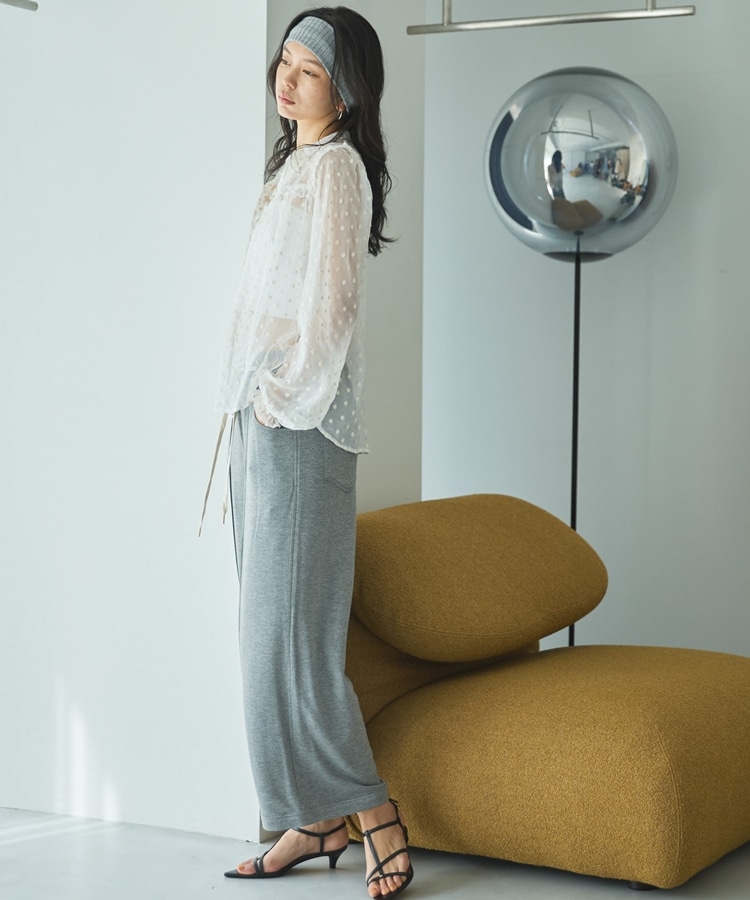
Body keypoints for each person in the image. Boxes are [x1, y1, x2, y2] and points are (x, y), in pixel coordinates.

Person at [211, 7, 413, 898]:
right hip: (257, 421)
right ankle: (310, 818)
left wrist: (281, 397)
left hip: (301, 423)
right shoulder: (294, 165)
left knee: (292, 642)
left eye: (310, 69)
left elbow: (332, 309)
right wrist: (249, 402)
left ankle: (373, 811)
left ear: (347, 90)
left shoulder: (337, 171)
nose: (287, 80)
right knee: (260, 642)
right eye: (284, 61)